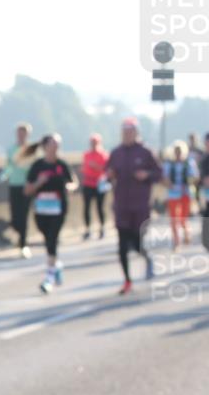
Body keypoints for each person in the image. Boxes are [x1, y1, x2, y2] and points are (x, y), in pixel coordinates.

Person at [105, 117, 163, 296]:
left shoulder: (145, 152)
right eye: (124, 132)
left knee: (136, 243)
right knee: (122, 245)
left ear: (136, 133)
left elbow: (159, 173)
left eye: (130, 132)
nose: (127, 135)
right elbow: (108, 174)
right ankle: (127, 280)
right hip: (121, 205)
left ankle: (148, 258)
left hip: (140, 207)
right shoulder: (116, 153)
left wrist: (146, 174)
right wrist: (110, 174)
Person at [24, 134, 79, 293]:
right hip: (41, 210)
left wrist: (70, 187)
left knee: (52, 239)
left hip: (58, 209)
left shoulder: (62, 165)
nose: (56, 147)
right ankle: (56, 265)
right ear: (45, 147)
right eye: (53, 144)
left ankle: (49, 277)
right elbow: (27, 190)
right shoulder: (37, 166)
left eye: (58, 144)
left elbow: (74, 182)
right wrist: (38, 183)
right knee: (47, 238)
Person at [2, 123, 36, 258]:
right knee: (15, 216)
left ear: (27, 135)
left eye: (24, 133)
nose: (21, 135)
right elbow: (8, 166)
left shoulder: (31, 149)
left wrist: (32, 183)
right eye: (19, 133)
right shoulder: (11, 149)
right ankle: (19, 233)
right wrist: (5, 175)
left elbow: (34, 168)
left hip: (26, 185)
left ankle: (23, 244)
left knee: (24, 215)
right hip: (14, 184)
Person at [162, 140, 197, 250]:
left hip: (185, 193)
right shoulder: (168, 164)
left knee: (183, 218)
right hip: (172, 194)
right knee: (173, 218)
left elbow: (194, 177)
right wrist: (170, 184)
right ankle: (176, 241)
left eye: (180, 151)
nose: (178, 154)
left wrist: (188, 182)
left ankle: (186, 232)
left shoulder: (189, 163)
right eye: (176, 151)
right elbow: (165, 178)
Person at [80, 133, 109, 240]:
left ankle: (102, 228)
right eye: (92, 142)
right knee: (86, 208)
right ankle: (87, 229)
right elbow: (84, 168)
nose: (93, 144)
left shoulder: (103, 155)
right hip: (88, 184)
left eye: (95, 142)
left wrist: (96, 167)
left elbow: (106, 170)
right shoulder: (86, 155)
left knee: (100, 207)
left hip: (99, 185)